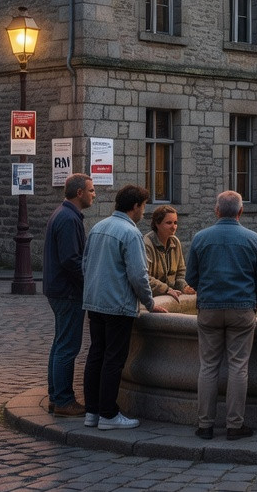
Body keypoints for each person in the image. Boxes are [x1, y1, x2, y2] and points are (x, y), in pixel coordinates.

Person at [186, 191, 257, 440]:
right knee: (238, 367)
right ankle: (235, 426)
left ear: (216, 211)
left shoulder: (201, 238)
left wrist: (206, 292)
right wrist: (253, 302)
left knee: (208, 366)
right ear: (240, 212)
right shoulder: (253, 239)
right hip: (241, 309)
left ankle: (205, 425)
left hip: (209, 309)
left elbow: (191, 277)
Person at [81, 184, 166, 431]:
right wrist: (149, 303)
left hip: (95, 302)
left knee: (95, 355)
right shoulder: (131, 233)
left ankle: (92, 412)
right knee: (113, 360)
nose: (143, 212)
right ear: (136, 206)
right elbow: (139, 275)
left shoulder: (98, 227)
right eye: (143, 207)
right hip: (117, 305)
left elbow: (85, 264)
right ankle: (108, 414)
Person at [43, 173, 95, 417]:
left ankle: (56, 396)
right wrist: (91, 282)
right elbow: (71, 260)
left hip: (59, 290)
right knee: (67, 346)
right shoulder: (68, 219)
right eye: (91, 190)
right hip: (67, 292)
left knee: (59, 343)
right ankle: (64, 400)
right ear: (79, 193)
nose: (95, 194)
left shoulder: (64, 214)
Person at [145, 205, 193, 298]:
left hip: (170, 294)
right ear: (157, 224)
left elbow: (180, 272)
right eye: (169, 223)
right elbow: (145, 278)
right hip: (152, 297)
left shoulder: (175, 242)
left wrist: (184, 287)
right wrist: (166, 289)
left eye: (175, 223)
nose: (173, 227)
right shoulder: (147, 244)